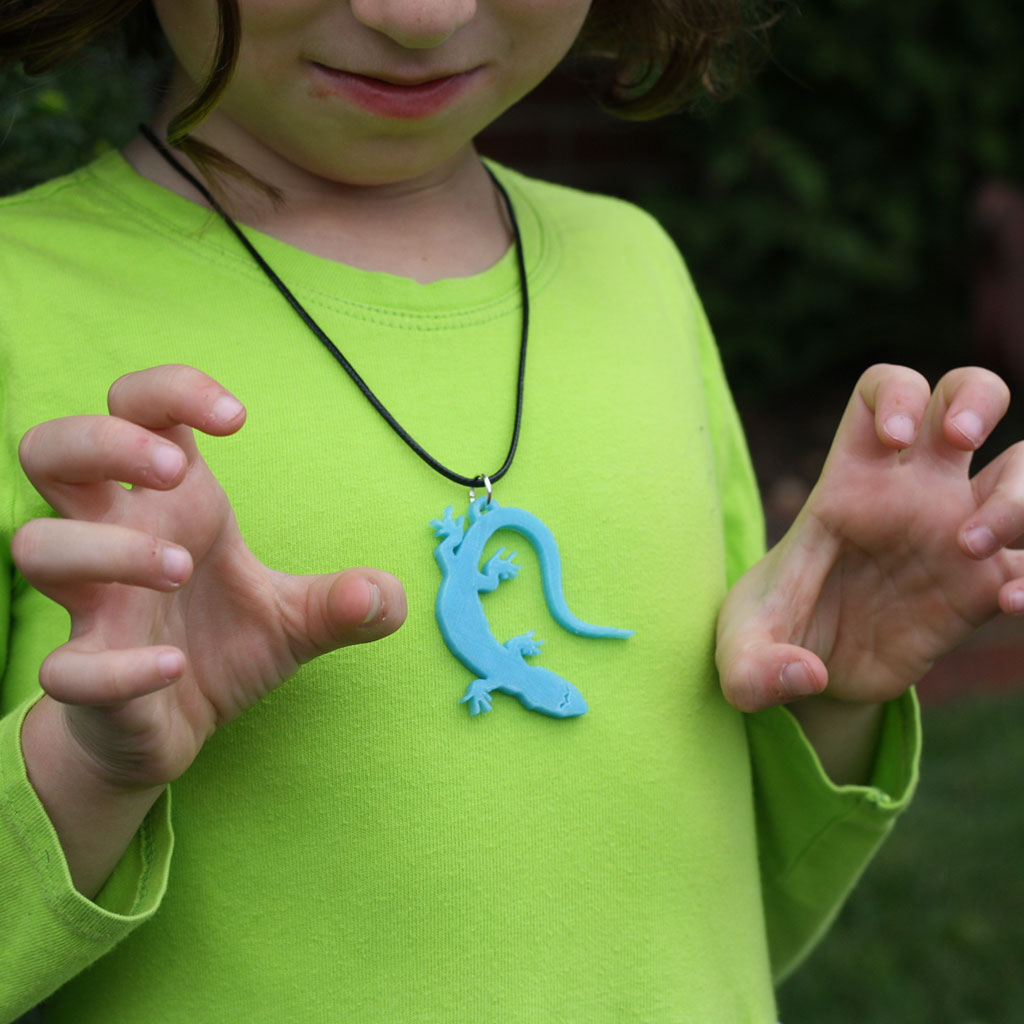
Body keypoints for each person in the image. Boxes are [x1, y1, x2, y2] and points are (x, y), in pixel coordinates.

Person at [1, 1, 1022, 1021]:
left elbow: (712, 923)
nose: (419, 15)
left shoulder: (638, 268)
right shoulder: (20, 302)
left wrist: (832, 690)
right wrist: (87, 771)